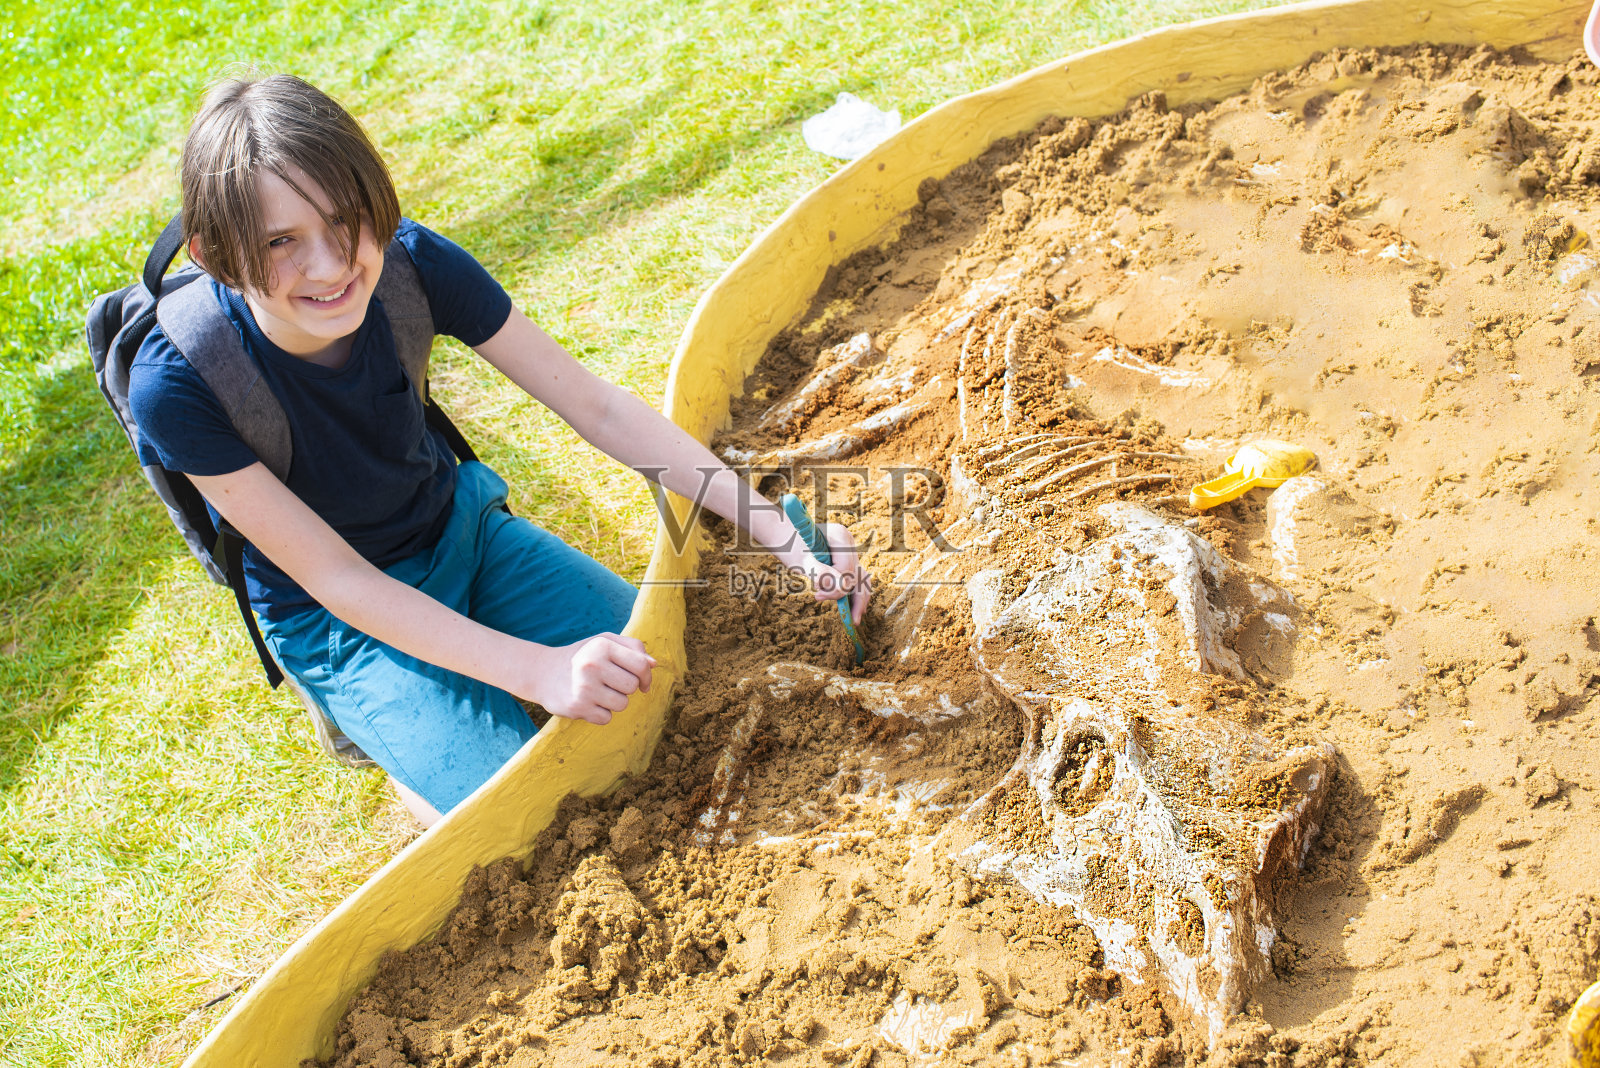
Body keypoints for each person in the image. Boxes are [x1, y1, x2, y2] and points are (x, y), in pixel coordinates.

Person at [128, 75, 870, 827]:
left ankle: (465, 687)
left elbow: (599, 407)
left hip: (468, 536)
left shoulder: (413, 265)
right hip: (341, 618)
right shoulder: (179, 384)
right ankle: (393, 744)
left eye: (346, 219)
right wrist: (539, 670)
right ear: (215, 256)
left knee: (671, 685)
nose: (329, 266)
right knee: (526, 812)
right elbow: (338, 577)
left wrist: (782, 535)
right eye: (281, 243)